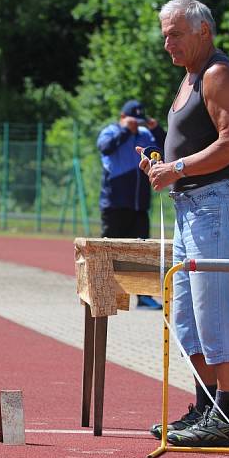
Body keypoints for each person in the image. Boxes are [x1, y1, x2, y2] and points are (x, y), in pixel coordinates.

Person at [141, 0, 229, 447]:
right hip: (188, 207)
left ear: (203, 30)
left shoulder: (217, 73)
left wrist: (178, 168)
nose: (168, 44)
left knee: (216, 309)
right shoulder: (189, 78)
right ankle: (205, 407)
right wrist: (159, 168)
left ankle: (224, 412)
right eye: (165, 36)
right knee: (186, 314)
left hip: (215, 203)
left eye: (176, 34)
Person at [97, 100, 166, 309]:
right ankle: (104, 293)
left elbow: (165, 149)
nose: (137, 125)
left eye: (140, 121)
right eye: (132, 120)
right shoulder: (110, 131)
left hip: (139, 205)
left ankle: (144, 297)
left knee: (142, 252)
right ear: (122, 117)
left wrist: (157, 129)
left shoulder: (146, 135)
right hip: (115, 204)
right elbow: (105, 148)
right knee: (109, 250)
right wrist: (126, 131)